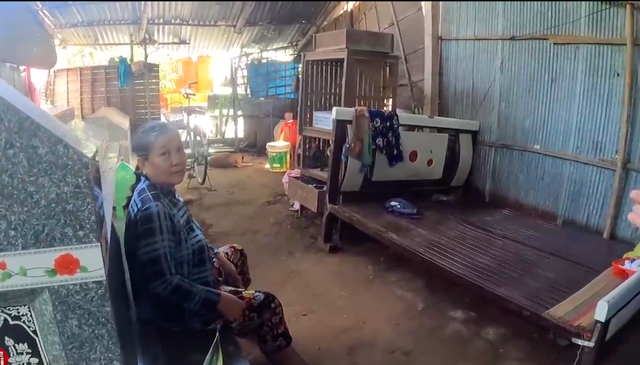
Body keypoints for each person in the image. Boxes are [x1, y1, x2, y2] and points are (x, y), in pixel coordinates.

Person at [123, 121, 309, 365]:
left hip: (191, 272)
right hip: (180, 312)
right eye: (165, 154)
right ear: (143, 162)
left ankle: (241, 325)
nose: (177, 159)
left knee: (234, 254)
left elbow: (190, 227)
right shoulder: (153, 209)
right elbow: (163, 284)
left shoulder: (161, 189)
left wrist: (218, 257)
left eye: (179, 149)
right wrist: (219, 300)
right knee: (267, 304)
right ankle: (263, 338)